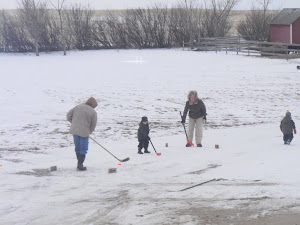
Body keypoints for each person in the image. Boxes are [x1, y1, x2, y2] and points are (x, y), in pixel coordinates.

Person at [67, 97, 98, 171]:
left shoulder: (78, 106)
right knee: (83, 148)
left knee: (77, 147)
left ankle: (79, 164)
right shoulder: (93, 112)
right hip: (84, 132)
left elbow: (68, 115)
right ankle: (80, 164)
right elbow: (93, 124)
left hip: (75, 130)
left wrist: (74, 123)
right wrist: (89, 131)